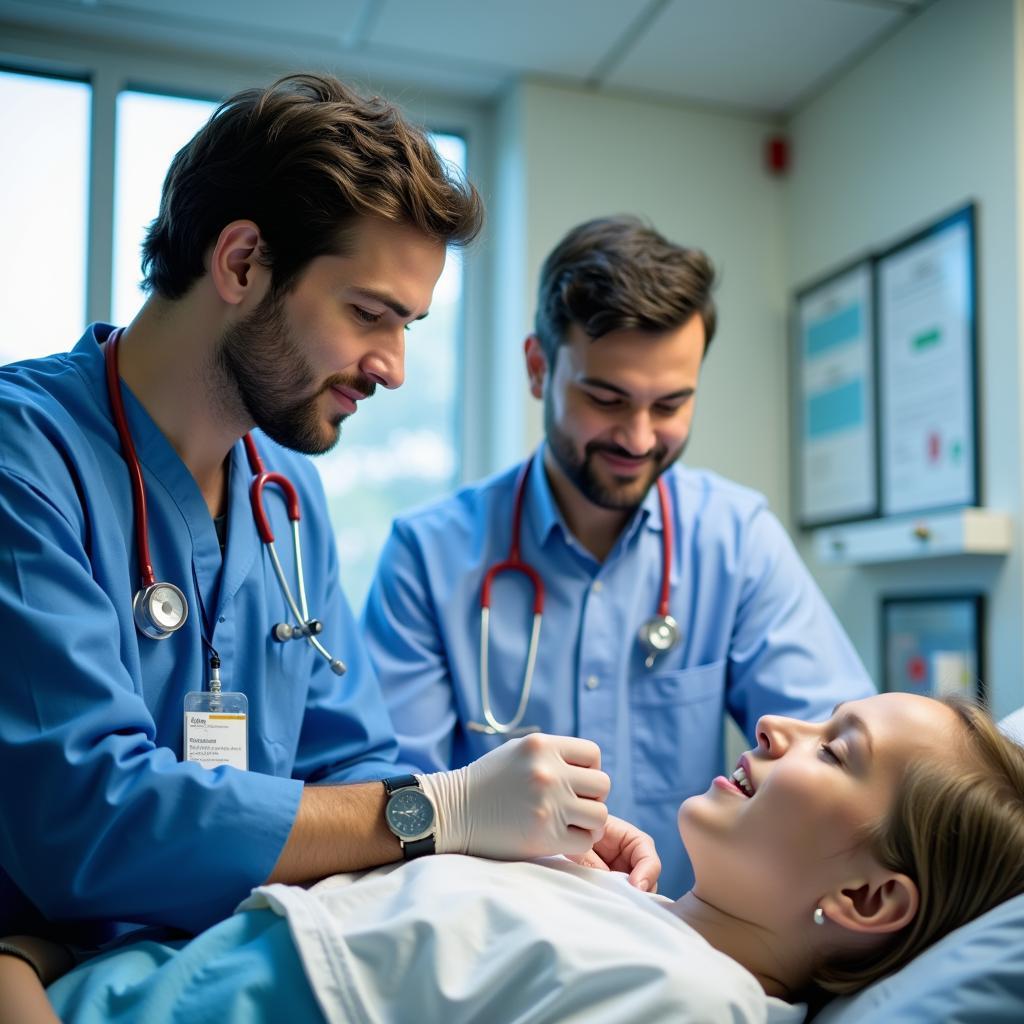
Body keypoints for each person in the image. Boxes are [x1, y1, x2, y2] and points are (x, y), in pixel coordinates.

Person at [0, 74, 659, 961]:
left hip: (233, 963)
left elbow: (351, 768)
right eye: (367, 315)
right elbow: (88, 817)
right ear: (240, 263)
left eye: (409, 327)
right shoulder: (26, 457)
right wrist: (444, 807)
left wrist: (534, 846)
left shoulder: (287, 494)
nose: (390, 366)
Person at [362, 215, 876, 896]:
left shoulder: (736, 540)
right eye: (606, 399)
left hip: (684, 942)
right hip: (492, 937)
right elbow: (392, 804)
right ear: (539, 368)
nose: (638, 438)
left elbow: (841, 762)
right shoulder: (428, 556)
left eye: (670, 404)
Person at [7, 692, 1024, 1023]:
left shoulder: (685, 1003)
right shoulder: (621, 907)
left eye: (835, 748)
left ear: (865, 894)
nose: (772, 723)